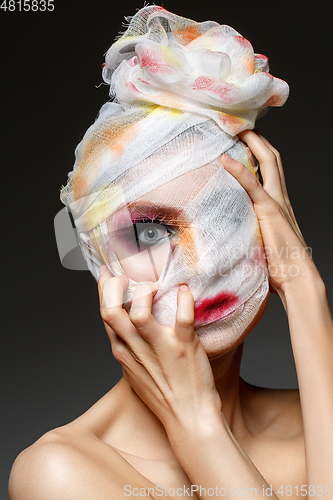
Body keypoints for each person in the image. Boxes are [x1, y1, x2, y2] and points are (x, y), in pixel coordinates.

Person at [8, 6, 333, 500]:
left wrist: (304, 286)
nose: (203, 263)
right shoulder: (63, 474)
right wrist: (198, 424)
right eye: (149, 233)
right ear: (98, 258)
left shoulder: (316, 426)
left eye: (226, 218)